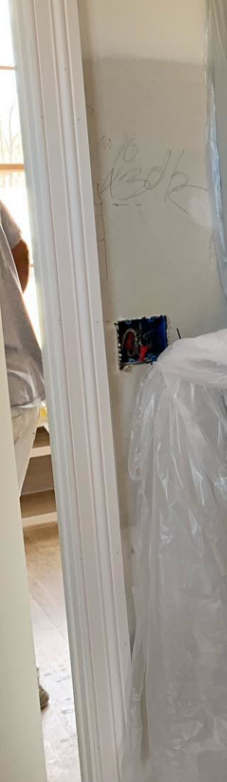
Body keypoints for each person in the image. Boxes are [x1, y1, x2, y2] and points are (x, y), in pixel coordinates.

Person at [1, 199, 47, 709]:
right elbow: (19, 250)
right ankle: (19, 680)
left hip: (10, 390)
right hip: (19, 378)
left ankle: (16, 684)